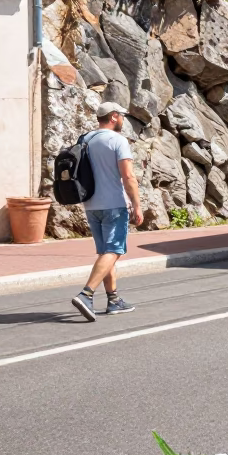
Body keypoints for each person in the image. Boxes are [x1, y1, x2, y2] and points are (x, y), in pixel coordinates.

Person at [71, 102, 142, 321]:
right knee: (115, 251)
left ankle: (113, 300)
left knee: (106, 254)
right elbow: (128, 176)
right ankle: (86, 294)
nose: (123, 119)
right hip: (114, 204)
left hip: (91, 204)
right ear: (113, 117)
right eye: (121, 115)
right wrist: (137, 205)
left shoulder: (86, 139)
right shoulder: (117, 140)